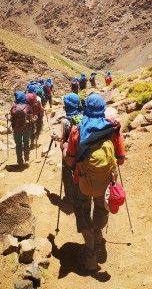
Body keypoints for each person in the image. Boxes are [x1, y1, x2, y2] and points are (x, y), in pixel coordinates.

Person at [62, 93, 125, 270]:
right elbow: (120, 160)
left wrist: (63, 148)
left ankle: (90, 254)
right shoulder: (113, 129)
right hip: (105, 183)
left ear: (86, 108)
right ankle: (98, 236)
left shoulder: (77, 130)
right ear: (103, 109)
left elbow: (70, 161)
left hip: (81, 182)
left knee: (82, 212)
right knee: (100, 208)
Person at [54, 93, 83, 203]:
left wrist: (57, 139)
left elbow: (64, 140)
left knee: (67, 174)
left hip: (70, 153)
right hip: (82, 152)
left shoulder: (65, 121)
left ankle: (69, 198)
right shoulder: (83, 117)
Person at [8, 91, 34, 166]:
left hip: (16, 129)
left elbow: (11, 119)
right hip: (27, 129)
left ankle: (20, 161)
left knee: (18, 145)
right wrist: (35, 119)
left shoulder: (14, 107)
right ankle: (27, 159)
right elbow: (31, 119)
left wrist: (6, 116)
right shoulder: (28, 107)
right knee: (26, 143)